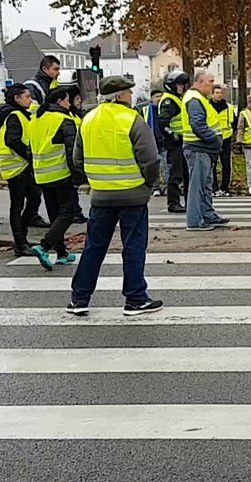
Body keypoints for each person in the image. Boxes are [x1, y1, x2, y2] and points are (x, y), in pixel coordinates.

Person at [67, 76, 165, 316]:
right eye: (129, 93)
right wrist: (149, 184)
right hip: (132, 195)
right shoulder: (133, 120)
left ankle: (79, 299)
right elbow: (150, 159)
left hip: (101, 196)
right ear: (120, 95)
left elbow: (77, 159)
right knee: (133, 246)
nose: (131, 97)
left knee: (94, 247)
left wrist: (96, 180)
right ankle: (135, 298)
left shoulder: (88, 120)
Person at [28, 87, 84, 268]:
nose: (70, 104)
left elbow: (30, 149)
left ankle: (61, 253)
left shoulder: (36, 119)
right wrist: (78, 176)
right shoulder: (64, 119)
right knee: (70, 210)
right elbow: (72, 152)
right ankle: (44, 246)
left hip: (42, 173)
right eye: (68, 100)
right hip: (61, 173)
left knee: (54, 214)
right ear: (60, 101)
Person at [0, 84, 40, 258]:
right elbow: (13, 141)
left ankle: (23, 238)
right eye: (27, 96)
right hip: (17, 168)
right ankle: (20, 243)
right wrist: (29, 156)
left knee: (34, 200)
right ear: (17, 98)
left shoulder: (22, 115)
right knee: (18, 205)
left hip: (23, 167)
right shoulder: (14, 116)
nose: (30, 99)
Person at [182, 70, 228, 231]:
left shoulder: (198, 98)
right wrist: (214, 140)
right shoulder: (194, 100)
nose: (212, 85)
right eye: (210, 81)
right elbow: (198, 125)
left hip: (203, 149)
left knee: (205, 185)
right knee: (198, 186)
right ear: (200, 82)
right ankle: (195, 220)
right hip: (199, 148)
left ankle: (207, 215)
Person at [157, 70, 191, 213]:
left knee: (186, 174)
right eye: (179, 84)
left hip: (183, 142)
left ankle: (189, 201)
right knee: (176, 174)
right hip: (175, 144)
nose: (182, 87)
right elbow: (163, 123)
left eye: (183, 84)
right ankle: (173, 203)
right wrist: (174, 136)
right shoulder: (169, 101)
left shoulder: (178, 98)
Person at [210, 85, 235, 196]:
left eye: (220, 92)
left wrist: (230, 134)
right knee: (212, 165)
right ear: (212, 94)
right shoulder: (207, 107)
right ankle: (214, 188)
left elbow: (234, 123)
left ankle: (225, 188)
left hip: (226, 139)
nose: (219, 94)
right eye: (217, 92)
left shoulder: (229, 107)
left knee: (226, 165)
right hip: (212, 139)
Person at [146, 88, 168, 196]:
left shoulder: (165, 109)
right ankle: (156, 188)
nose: (159, 99)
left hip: (164, 141)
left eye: (160, 96)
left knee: (167, 165)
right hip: (152, 142)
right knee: (155, 167)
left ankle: (168, 187)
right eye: (156, 97)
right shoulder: (146, 110)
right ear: (151, 99)